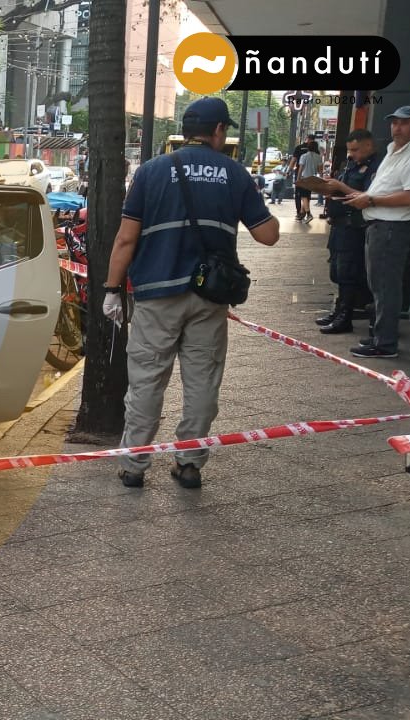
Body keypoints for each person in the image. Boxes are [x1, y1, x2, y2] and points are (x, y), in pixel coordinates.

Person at [102, 97, 280, 490]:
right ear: (218, 131)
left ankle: (133, 465)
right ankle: (189, 464)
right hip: (209, 296)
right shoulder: (235, 173)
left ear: (186, 130)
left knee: (147, 380)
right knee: (202, 382)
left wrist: (113, 290)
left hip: (156, 293)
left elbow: (126, 238)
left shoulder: (150, 172)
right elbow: (268, 235)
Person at [340, 105, 410, 359]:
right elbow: (384, 189)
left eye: (404, 123)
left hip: (393, 228)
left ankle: (385, 343)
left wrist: (371, 201)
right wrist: (363, 197)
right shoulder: (394, 150)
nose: (397, 127)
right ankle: (381, 336)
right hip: (381, 225)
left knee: (386, 287)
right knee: (380, 286)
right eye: (394, 122)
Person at [313, 129, 378, 335]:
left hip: (354, 228)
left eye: (356, 150)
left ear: (368, 145)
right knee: (337, 272)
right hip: (339, 226)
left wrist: (341, 186)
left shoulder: (374, 168)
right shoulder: (351, 165)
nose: (351, 154)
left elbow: (368, 197)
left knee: (348, 273)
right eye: (349, 150)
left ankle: (345, 317)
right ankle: (339, 310)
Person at [289, 134, 316, 220]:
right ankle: (302, 212)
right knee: (307, 194)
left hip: (300, 174)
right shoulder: (316, 150)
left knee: (299, 194)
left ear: (306, 139)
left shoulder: (299, 148)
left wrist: (289, 171)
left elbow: (293, 161)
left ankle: (300, 213)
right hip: (311, 175)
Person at [296, 139, 322, 222]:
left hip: (304, 179)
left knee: (303, 197)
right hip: (313, 179)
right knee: (307, 197)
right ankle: (301, 213)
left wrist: (298, 179)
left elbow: (300, 169)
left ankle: (308, 214)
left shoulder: (304, 156)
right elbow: (319, 171)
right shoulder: (318, 157)